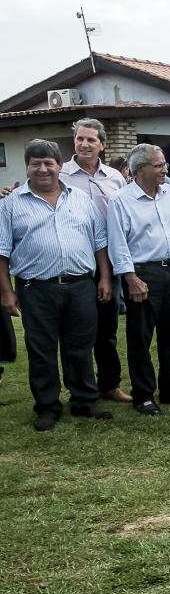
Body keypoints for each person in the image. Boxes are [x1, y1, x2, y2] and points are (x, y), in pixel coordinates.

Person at [0, 140, 113, 431]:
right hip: (36, 288)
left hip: (81, 286)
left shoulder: (81, 199)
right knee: (42, 350)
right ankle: (47, 407)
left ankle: (84, 400)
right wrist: (6, 292)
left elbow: (99, 241)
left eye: (48, 163)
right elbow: (2, 251)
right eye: (35, 163)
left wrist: (104, 277)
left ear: (60, 166)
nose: (43, 169)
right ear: (27, 167)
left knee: (81, 346)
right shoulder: (10, 204)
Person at [107, 144, 170, 415]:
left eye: (164, 164)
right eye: (158, 165)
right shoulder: (120, 200)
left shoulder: (169, 192)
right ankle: (143, 395)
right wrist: (130, 277)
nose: (164, 169)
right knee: (140, 337)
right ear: (140, 169)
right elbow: (118, 243)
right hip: (143, 274)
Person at [61, 118, 130, 404]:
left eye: (91, 139)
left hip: (108, 262)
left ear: (102, 144)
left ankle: (109, 384)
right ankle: (79, 389)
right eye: (80, 138)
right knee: (75, 330)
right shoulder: (60, 175)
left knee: (106, 328)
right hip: (74, 261)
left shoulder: (115, 177)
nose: (85, 144)